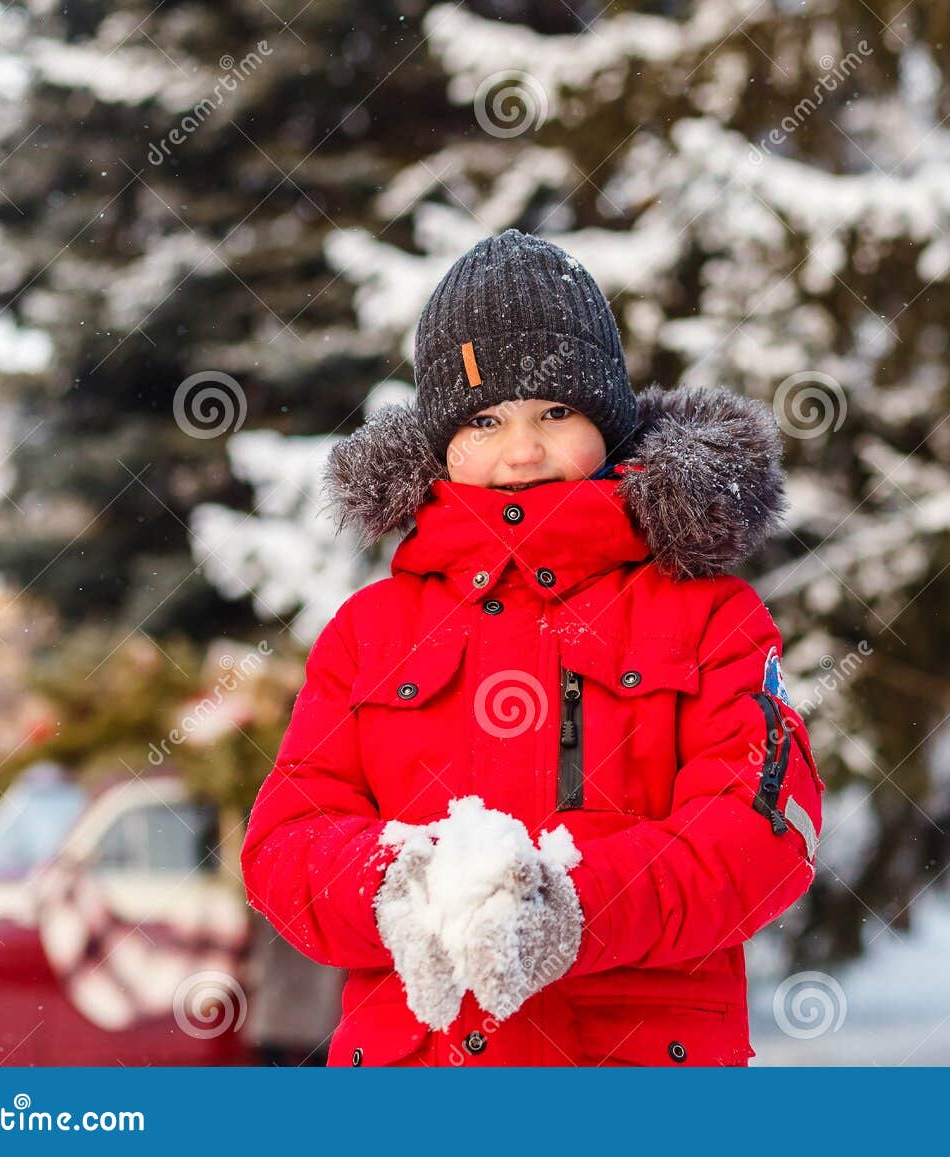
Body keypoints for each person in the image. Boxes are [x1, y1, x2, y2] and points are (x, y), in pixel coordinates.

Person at [240, 228, 824, 1066]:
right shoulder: (369, 631)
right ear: (440, 440)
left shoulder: (710, 616)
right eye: (483, 420)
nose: (521, 450)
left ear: (609, 421)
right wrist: (390, 887)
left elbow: (768, 829)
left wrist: (577, 905)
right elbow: (285, 839)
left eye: (556, 411)